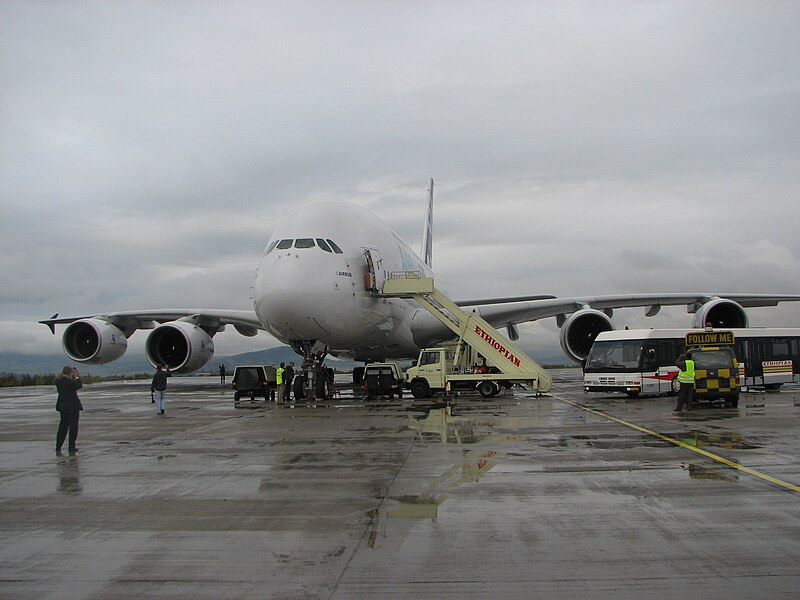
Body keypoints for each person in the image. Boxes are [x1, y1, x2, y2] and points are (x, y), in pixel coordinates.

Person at [55, 365, 83, 455]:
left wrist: (71, 376)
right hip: (73, 407)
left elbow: (62, 380)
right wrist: (77, 377)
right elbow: (79, 385)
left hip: (63, 407)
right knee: (73, 427)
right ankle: (71, 446)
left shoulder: (58, 382)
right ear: (71, 372)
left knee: (63, 427)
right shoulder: (70, 382)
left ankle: (58, 446)